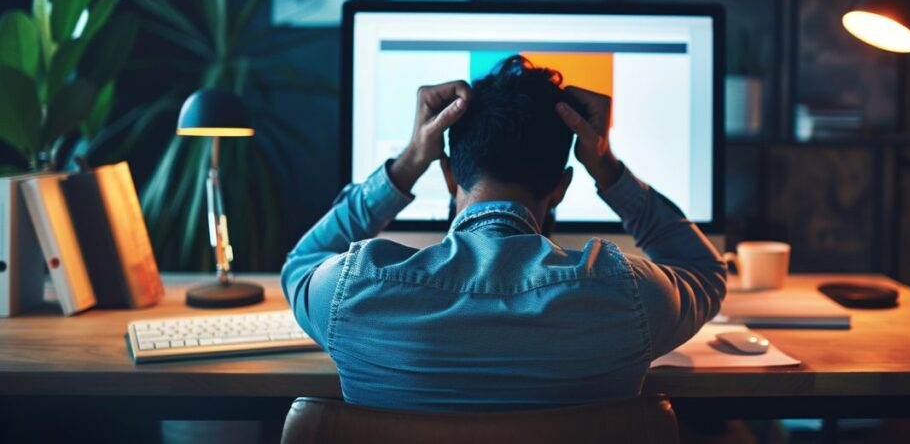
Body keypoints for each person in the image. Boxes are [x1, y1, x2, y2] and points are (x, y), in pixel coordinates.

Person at [282, 56, 726, 412]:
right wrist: (608, 169)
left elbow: (302, 263)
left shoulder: (351, 289)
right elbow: (705, 271)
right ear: (562, 187)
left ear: (450, 176)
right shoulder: (631, 294)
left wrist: (407, 163)